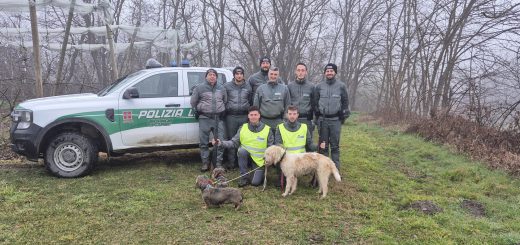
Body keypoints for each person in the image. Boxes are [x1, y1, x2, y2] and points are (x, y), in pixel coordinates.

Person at [213, 106, 274, 187]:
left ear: (259, 116)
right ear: (248, 116)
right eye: (251, 115)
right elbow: (233, 143)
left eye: (255, 115)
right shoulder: (243, 128)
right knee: (241, 151)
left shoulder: (267, 130)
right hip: (246, 157)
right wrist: (221, 143)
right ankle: (244, 177)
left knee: (255, 183)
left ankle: (257, 172)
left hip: (260, 161)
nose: (253, 117)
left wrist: (268, 160)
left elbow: (270, 148)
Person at [190, 68, 227, 172]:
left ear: (216, 77)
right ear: (206, 76)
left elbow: (225, 101)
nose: (212, 76)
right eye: (210, 74)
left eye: (214, 75)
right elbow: (193, 102)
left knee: (220, 141)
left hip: (218, 118)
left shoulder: (221, 88)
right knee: (204, 142)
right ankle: (205, 163)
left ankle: (218, 163)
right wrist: (198, 111)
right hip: (204, 118)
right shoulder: (199, 88)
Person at [314, 63, 350, 170]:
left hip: (335, 121)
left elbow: (345, 102)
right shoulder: (319, 86)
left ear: (335, 72)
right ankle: (324, 169)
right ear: (324, 73)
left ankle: (335, 169)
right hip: (323, 120)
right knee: (323, 146)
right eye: (327, 71)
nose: (329, 73)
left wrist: (343, 116)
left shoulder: (341, 86)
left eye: (331, 71)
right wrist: (317, 115)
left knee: (335, 146)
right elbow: (315, 102)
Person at [223, 66, 253, 169]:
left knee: (244, 140)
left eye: (241, 74)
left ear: (243, 75)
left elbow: (250, 100)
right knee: (232, 140)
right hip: (231, 116)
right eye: (237, 74)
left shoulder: (248, 86)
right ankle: (232, 163)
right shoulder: (227, 86)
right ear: (234, 75)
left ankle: (243, 163)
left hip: (244, 116)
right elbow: (224, 99)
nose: (239, 75)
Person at [287, 62, 316, 141]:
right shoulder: (289, 86)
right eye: (298, 70)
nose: (300, 72)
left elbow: (314, 104)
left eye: (303, 70)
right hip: (293, 119)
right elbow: (287, 103)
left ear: (306, 72)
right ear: (295, 72)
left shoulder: (312, 86)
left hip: (306, 120)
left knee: (307, 143)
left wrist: (313, 120)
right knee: (293, 141)